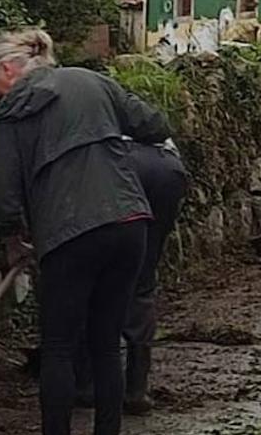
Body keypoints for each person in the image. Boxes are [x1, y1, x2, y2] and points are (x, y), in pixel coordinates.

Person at [0, 28, 171, 435]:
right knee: (106, 343)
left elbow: (2, 195)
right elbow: (154, 124)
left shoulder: (13, 111)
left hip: (70, 232)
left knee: (61, 348)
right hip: (130, 222)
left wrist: (15, 238)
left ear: (9, 69)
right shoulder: (91, 80)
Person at [74, 140, 187, 416]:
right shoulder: (127, 106)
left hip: (119, 168)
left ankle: (88, 385)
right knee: (142, 274)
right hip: (167, 168)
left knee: (94, 274)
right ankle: (136, 388)